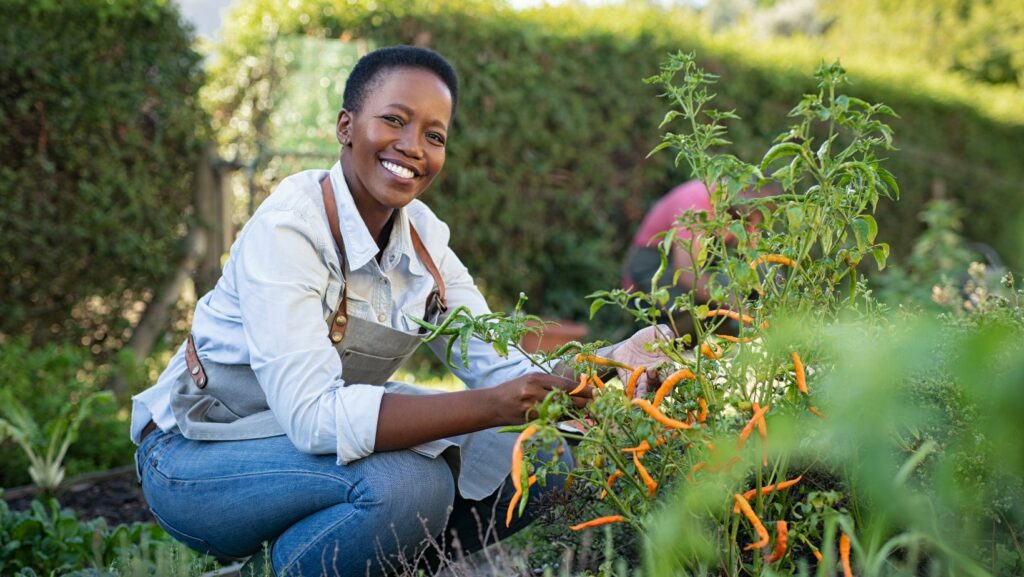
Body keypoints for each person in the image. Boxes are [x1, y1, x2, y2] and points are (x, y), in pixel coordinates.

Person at [132, 46, 669, 577]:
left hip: (299, 449)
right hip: (196, 456)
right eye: (394, 120)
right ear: (346, 126)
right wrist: (494, 407)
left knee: (546, 458)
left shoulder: (426, 243)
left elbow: (504, 369)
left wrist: (612, 362)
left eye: (434, 136)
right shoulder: (289, 231)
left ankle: (372, 566)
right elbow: (313, 417)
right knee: (411, 487)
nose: (413, 147)